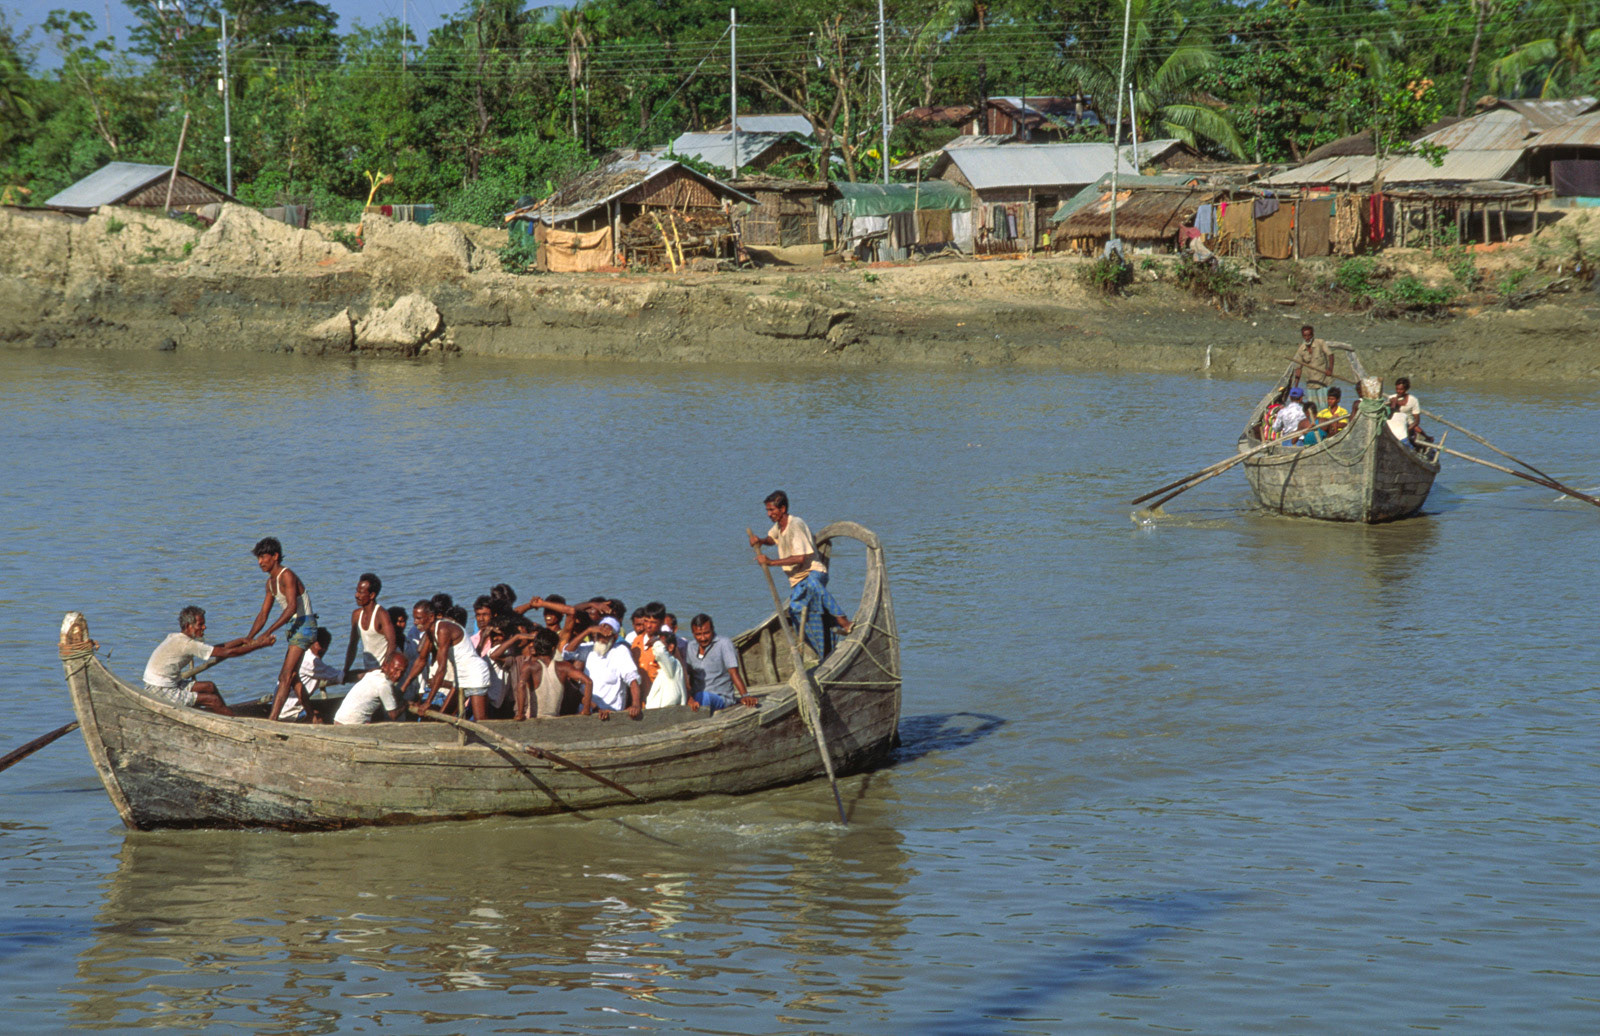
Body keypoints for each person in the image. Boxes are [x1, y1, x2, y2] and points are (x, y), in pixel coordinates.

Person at [748, 490, 852, 657]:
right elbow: (771, 539)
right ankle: (822, 651)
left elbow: (800, 558)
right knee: (796, 610)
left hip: (814, 572)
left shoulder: (795, 524)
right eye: (767, 511)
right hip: (797, 581)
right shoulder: (778, 526)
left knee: (813, 585)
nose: (769, 514)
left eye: (772, 510)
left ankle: (843, 620)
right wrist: (760, 540)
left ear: (782, 509)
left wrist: (771, 562)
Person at [142, 605, 274, 716]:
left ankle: (223, 714)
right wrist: (260, 645)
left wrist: (241, 641)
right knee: (213, 700)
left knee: (209, 686)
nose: (204, 627)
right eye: (200, 624)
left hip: (170, 683)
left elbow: (214, 649)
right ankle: (234, 722)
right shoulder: (188, 644)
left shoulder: (177, 638)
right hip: (159, 688)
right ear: (189, 626)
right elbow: (228, 653)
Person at [245, 537, 322, 723]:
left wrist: (269, 631)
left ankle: (272, 721)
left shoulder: (287, 575)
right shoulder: (270, 583)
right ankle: (313, 717)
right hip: (294, 627)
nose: (260, 562)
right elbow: (263, 614)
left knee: (285, 676)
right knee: (293, 677)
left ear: (275, 556)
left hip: (304, 626)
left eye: (263, 557)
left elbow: (291, 608)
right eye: (258, 558)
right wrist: (250, 637)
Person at [683, 614, 759, 711]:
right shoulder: (690, 646)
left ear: (713, 629)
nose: (703, 638)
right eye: (698, 634)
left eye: (706, 633)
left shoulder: (724, 644)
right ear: (693, 633)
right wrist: (689, 697)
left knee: (703, 697)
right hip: (697, 697)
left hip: (720, 698)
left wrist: (745, 695)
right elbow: (688, 676)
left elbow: (733, 672)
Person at [577, 617, 642, 719]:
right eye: (599, 635)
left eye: (606, 637)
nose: (601, 640)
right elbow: (566, 652)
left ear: (615, 638)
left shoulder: (621, 651)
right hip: (587, 710)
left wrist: (636, 704)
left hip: (610, 712)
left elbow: (633, 680)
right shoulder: (589, 649)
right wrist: (588, 630)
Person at [341, 572, 398, 683]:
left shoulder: (381, 614)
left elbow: (392, 643)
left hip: (382, 671)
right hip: (369, 671)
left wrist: (385, 668)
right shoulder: (356, 615)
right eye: (357, 591)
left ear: (372, 595)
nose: (356, 595)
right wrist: (345, 670)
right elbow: (353, 644)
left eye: (361, 593)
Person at [282, 627, 344, 722]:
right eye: (321, 646)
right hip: (290, 712)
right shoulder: (312, 662)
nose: (322, 650)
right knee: (323, 719)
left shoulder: (302, 656)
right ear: (313, 644)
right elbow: (340, 676)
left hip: (287, 708)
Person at [332, 652, 410, 725]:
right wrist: (406, 705)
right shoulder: (384, 685)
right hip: (352, 724)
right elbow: (393, 715)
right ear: (385, 666)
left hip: (339, 719)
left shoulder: (374, 673)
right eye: (396, 670)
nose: (399, 675)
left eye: (402, 672)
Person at [1290, 324, 1334, 410]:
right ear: (1303, 336)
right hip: (1310, 383)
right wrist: (1296, 386)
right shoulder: (1301, 349)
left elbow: (1330, 354)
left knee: (1324, 407)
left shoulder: (1320, 343)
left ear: (1312, 335)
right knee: (1313, 408)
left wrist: (1330, 369)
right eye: (1305, 336)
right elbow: (1299, 368)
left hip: (1322, 381)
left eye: (1309, 335)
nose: (1307, 338)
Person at [1386, 377, 1428, 446]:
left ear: (1406, 389)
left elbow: (1417, 421)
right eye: (1397, 389)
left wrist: (1407, 430)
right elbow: (1389, 415)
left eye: (1401, 389)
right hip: (1394, 424)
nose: (1398, 391)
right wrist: (1393, 403)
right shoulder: (1391, 398)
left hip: (1409, 425)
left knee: (1417, 434)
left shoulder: (1413, 400)